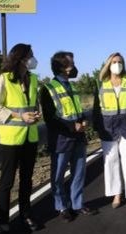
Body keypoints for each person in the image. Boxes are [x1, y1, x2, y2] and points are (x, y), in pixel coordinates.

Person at [39, 51, 98, 222]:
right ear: (62, 67)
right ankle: (62, 207)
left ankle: (77, 204)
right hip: (61, 139)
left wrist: (83, 121)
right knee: (57, 176)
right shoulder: (48, 88)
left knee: (79, 173)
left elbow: (77, 110)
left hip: (78, 137)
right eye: (71, 64)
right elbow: (50, 118)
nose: (74, 67)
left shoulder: (72, 86)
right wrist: (73, 126)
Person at [0, 43, 41, 232]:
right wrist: (20, 116)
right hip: (11, 138)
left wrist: (37, 113)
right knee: (7, 181)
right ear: (20, 58)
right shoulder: (4, 79)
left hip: (31, 135)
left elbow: (34, 104)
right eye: (30, 55)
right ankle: (2, 220)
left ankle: (26, 215)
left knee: (27, 179)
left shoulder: (33, 78)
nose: (33, 59)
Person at [92, 52, 126, 211]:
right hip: (108, 127)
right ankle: (116, 194)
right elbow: (96, 108)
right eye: (114, 61)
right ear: (108, 64)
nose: (117, 64)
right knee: (111, 162)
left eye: (119, 61)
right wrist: (97, 127)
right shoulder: (101, 83)